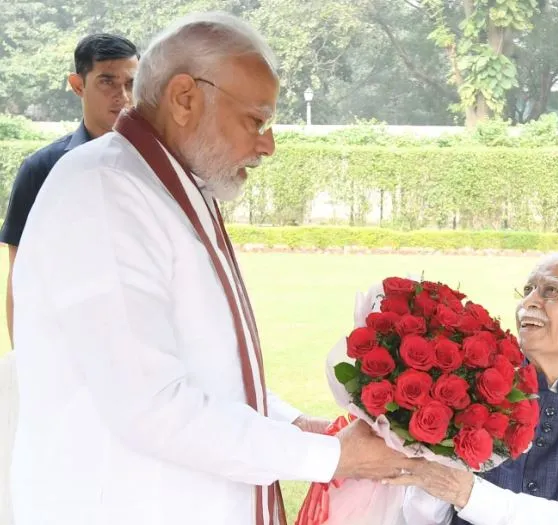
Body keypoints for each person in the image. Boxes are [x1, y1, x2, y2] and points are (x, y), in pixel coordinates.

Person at [9, 12, 412, 525]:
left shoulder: (164, 184)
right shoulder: (105, 189)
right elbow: (150, 406)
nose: (267, 144)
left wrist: (300, 426)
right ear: (184, 98)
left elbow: (213, 370)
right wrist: (332, 457)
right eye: (255, 120)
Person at [392, 251, 558, 525]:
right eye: (527, 291)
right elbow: (423, 513)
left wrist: (468, 494)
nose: (528, 302)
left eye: (552, 291)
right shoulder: (475, 377)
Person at [0, 33, 139, 344]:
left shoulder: (157, 168)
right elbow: (20, 277)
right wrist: (24, 357)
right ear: (78, 85)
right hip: (67, 343)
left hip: (142, 342)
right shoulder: (41, 170)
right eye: (107, 81)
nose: (122, 95)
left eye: (131, 83)